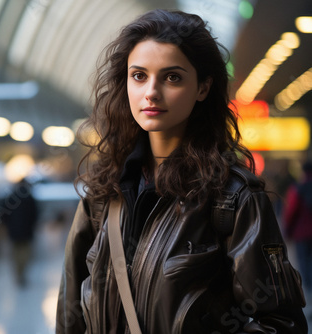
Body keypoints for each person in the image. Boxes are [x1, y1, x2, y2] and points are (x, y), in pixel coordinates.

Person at [56, 9, 307, 334]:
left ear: (203, 88)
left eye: (172, 77)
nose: (152, 92)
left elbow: (282, 322)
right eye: (139, 75)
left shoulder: (232, 199)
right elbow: (70, 313)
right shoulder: (104, 190)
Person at [3, 178, 38, 287]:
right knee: (25, 252)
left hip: (14, 230)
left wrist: (6, 226)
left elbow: (4, 213)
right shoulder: (29, 197)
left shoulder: (12, 196)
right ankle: (22, 273)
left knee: (15, 252)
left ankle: (18, 273)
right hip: (27, 230)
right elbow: (35, 214)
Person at [283, 162, 312, 294]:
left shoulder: (298, 188)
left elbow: (290, 212)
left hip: (301, 233)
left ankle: (308, 288)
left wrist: (287, 231)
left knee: (304, 261)